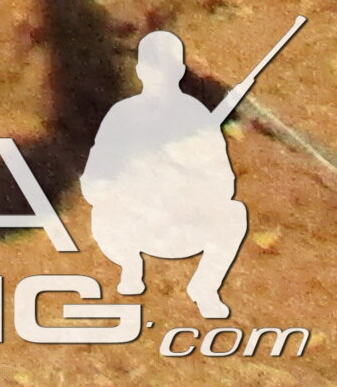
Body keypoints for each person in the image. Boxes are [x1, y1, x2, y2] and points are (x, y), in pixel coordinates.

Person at [82, 29, 249, 319]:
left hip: (182, 217)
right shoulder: (121, 113)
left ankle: (205, 288)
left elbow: (224, 182)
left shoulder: (197, 113)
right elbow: (94, 181)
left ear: (181, 71)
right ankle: (131, 269)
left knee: (234, 215)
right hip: (134, 220)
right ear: (140, 71)